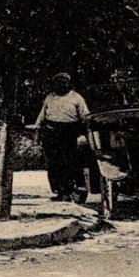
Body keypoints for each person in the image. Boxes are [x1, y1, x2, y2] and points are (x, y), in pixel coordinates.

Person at [34, 72, 91, 202]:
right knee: (53, 163)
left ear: (68, 83)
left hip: (69, 132)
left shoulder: (76, 97)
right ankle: (58, 190)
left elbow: (84, 116)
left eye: (63, 81)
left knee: (70, 162)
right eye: (58, 82)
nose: (61, 84)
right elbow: (41, 117)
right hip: (51, 132)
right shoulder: (50, 97)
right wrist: (37, 135)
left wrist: (84, 133)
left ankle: (74, 190)